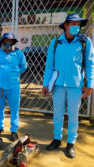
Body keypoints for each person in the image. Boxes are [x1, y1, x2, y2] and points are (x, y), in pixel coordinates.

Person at [42, 13, 94, 158]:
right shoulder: (56, 42)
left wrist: (90, 84)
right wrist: (46, 84)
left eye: (78, 25)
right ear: (65, 25)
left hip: (75, 85)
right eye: (73, 24)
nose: (76, 27)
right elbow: (49, 65)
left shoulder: (85, 42)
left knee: (73, 115)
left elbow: (90, 65)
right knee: (57, 114)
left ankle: (70, 143)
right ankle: (57, 139)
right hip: (57, 84)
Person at [0, 32, 27, 141]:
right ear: (2, 42)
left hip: (13, 86)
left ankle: (14, 130)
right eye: (5, 41)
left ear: (13, 42)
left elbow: (23, 66)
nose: (7, 43)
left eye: (10, 41)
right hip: (0, 86)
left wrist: (14, 74)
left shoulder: (19, 53)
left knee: (14, 109)